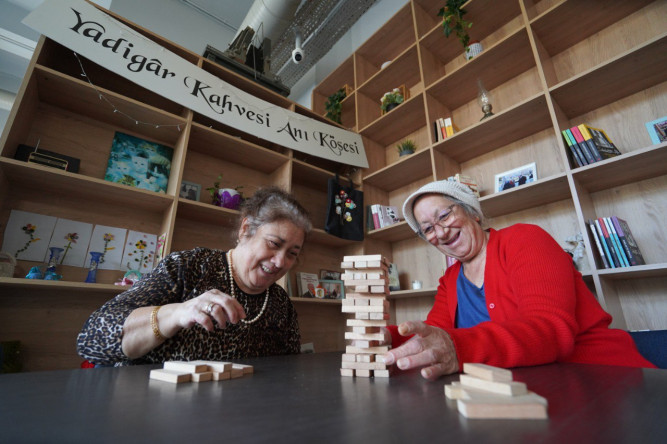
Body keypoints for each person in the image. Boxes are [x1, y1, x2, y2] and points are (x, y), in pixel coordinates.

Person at [382, 180, 656, 380]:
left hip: (600, 378)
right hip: (527, 387)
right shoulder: (450, 279)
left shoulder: (525, 240)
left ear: (473, 212)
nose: (440, 232)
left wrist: (459, 347)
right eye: (428, 229)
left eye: (444, 215)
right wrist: (384, 338)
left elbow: (551, 331)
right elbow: (433, 334)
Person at [77, 186, 312, 366]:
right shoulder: (188, 267)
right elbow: (91, 339)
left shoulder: (281, 303)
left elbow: (289, 371)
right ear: (245, 230)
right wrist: (178, 312)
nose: (281, 261)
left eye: (292, 253)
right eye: (273, 243)